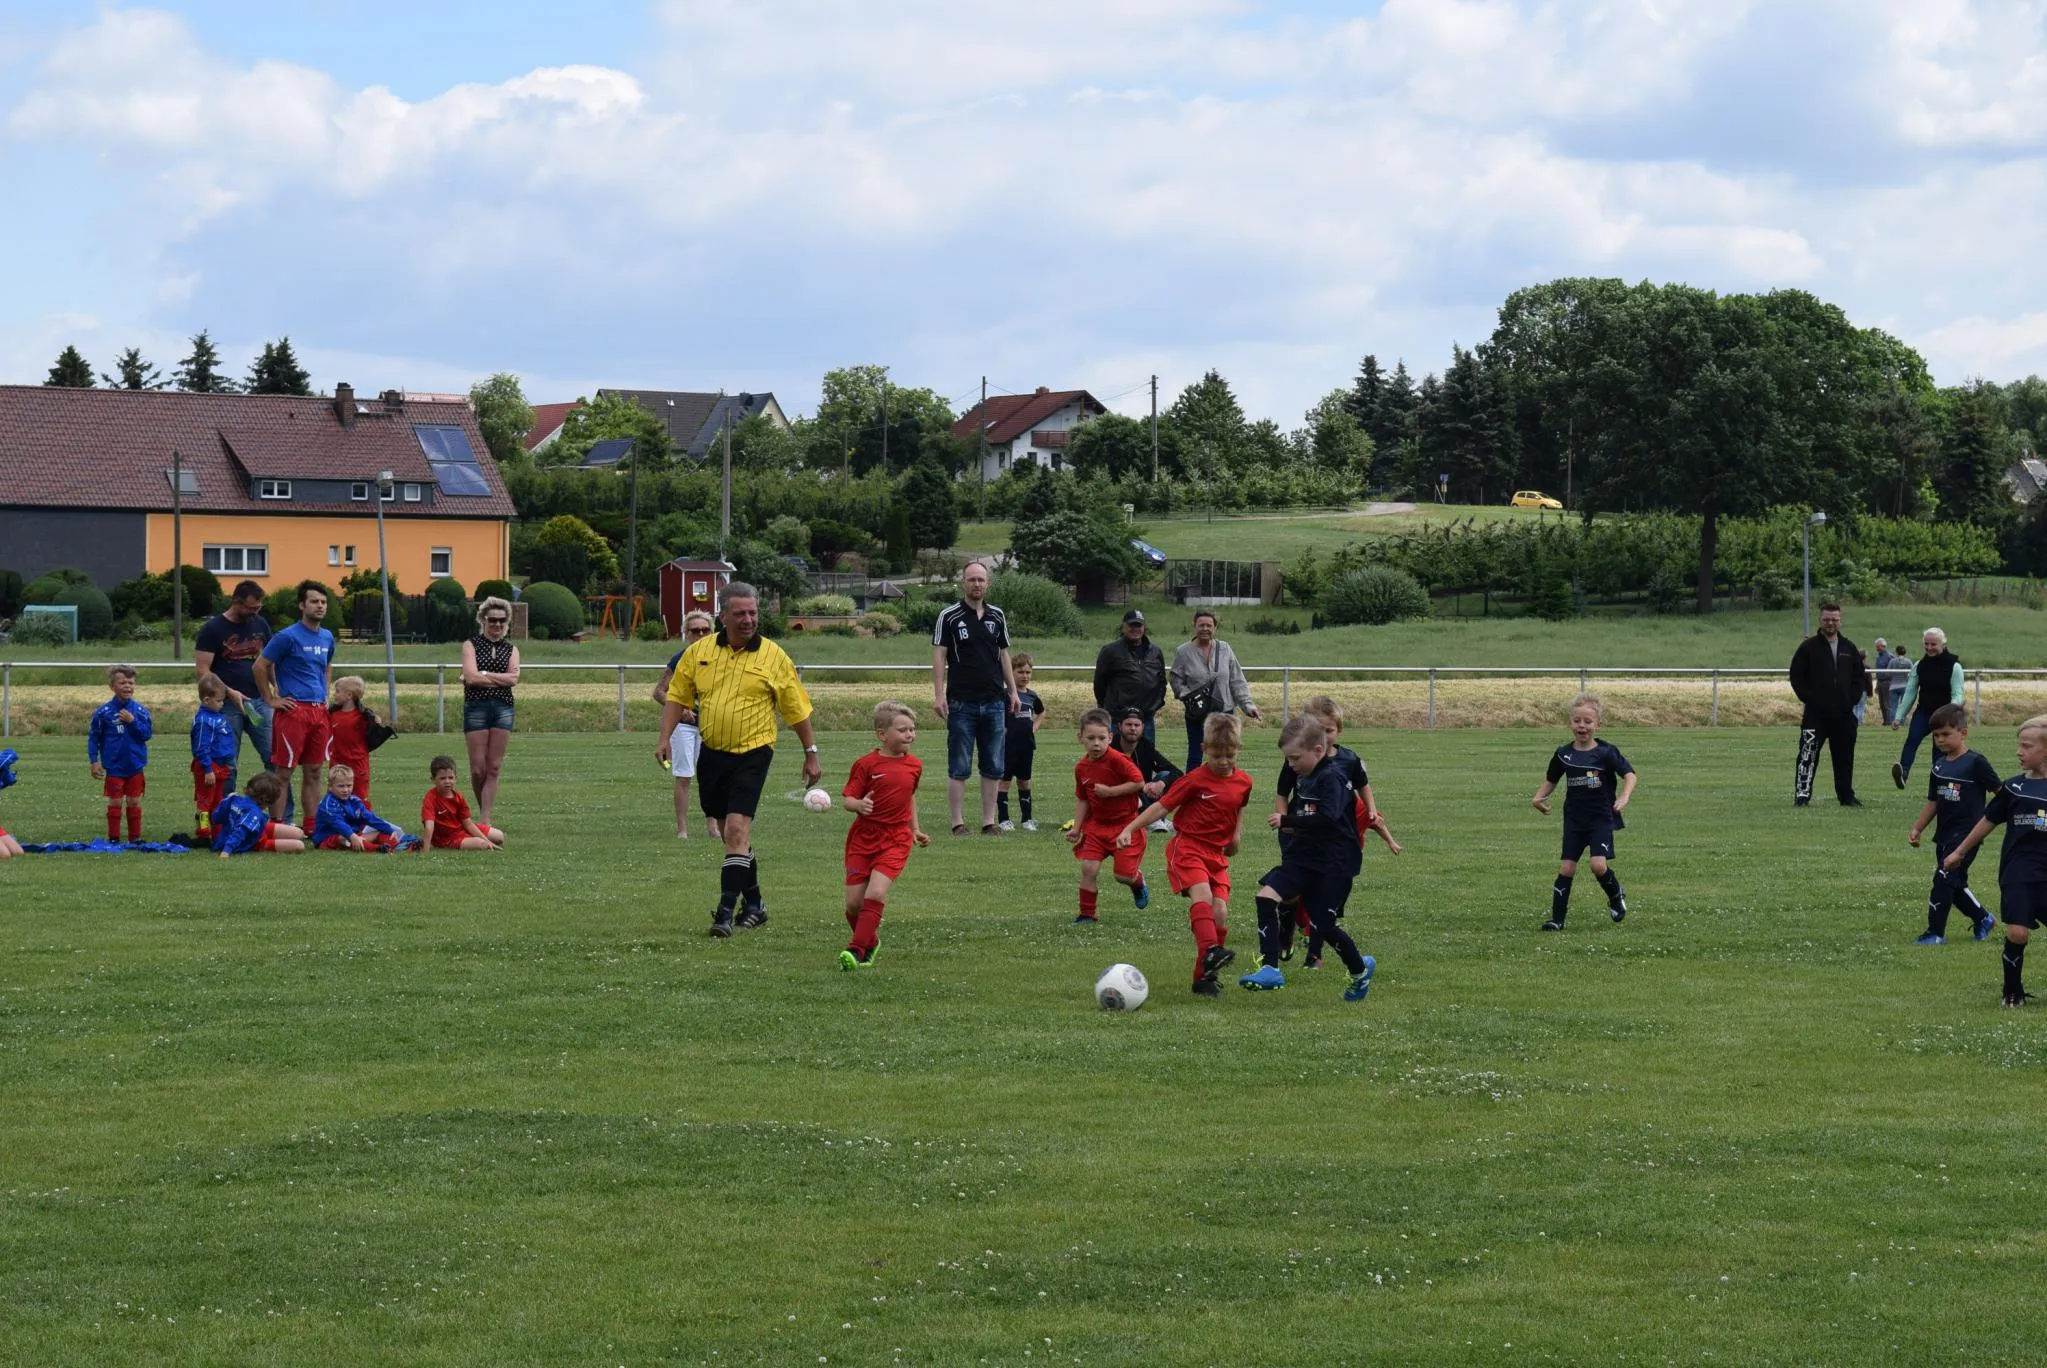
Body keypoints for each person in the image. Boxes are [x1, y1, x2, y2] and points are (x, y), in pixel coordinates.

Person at [656, 583, 821, 936]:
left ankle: (724, 913)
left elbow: (797, 709)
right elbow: (676, 696)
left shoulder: (774, 656)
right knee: (734, 835)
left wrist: (811, 753)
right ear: (723, 616)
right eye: (740, 613)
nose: (748, 620)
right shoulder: (698, 652)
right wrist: (664, 738)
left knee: (734, 830)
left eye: (753, 613)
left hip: (754, 751)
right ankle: (756, 903)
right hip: (713, 753)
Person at [1237, 714, 1376, 1002]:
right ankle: (1270, 968)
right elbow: (1301, 808)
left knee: (1324, 927)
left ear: (1318, 750)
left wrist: (1289, 820)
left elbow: (1329, 818)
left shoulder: (1332, 777)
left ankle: (1360, 971)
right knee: (1265, 898)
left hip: (1333, 864)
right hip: (1302, 857)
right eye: (1287, 759)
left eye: (1295, 758)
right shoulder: (1304, 774)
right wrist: (1292, 829)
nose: (1290, 765)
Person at [1118, 712, 1255, 997]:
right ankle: (1210, 951)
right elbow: (1162, 807)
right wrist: (1131, 827)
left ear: (1239, 749)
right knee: (1202, 896)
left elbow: (1238, 807)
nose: (1224, 761)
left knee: (1220, 913)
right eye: (1217, 756)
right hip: (1188, 847)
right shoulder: (1195, 780)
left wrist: (1235, 837)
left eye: (1230, 755)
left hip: (1216, 855)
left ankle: (1203, 978)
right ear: (1204, 749)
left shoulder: (1244, 782)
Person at [1279, 698, 1399, 966]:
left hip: (1333, 839)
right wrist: (1286, 822)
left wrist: (1372, 811)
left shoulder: (1348, 760)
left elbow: (1363, 785)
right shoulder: (1297, 758)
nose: (1323, 735)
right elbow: (1282, 792)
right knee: (1291, 890)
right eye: (1318, 729)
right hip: (1301, 832)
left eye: (1329, 730)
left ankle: (1314, 955)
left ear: (1339, 731)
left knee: (1322, 897)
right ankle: (1286, 931)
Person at [1942, 714, 2047, 1007]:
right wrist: (1959, 852)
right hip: (2018, 872)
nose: (2019, 752)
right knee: (2017, 931)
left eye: (2027, 746)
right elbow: (1987, 821)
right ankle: (2012, 992)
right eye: (2019, 745)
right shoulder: (2013, 788)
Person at [1529, 693, 1637, 931]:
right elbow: (1551, 780)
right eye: (1577, 720)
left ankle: (1616, 895)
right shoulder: (1563, 754)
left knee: (1598, 866)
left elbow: (1629, 774)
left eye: (1588, 721)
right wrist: (1538, 798)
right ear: (1570, 722)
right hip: (1574, 820)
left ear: (1598, 724)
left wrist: (1624, 796)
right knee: (1567, 868)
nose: (1582, 726)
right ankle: (1557, 920)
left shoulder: (1606, 752)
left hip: (1600, 818)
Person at [837, 701, 930, 970]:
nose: (910, 734)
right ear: (882, 734)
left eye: (912, 729)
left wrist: (914, 829)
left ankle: (855, 950)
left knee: (876, 892)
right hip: (863, 838)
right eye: (903, 730)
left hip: (896, 838)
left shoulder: (914, 765)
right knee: (854, 905)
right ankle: (871, 941)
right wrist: (858, 805)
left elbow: (909, 797)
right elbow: (848, 799)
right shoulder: (865, 764)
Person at [931, 561, 1021, 836]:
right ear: (963, 583)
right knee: (959, 764)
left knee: (993, 764)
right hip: (961, 702)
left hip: (994, 701)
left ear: (987, 583)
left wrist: (1013, 691)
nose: (977, 584)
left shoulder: (997, 616)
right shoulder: (949, 616)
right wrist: (938, 694)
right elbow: (939, 655)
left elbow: (1003, 655)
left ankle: (988, 822)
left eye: (981, 580)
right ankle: (957, 823)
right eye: (972, 579)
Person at [1906, 703, 1998, 945]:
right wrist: (1917, 828)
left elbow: (2000, 793)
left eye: (1946, 734)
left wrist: (1996, 819)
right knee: (1952, 883)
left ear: (1963, 733)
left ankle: (1935, 933)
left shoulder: (1976, 763)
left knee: (1943, 878)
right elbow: (1933, 802)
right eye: (1936, 735)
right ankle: (1983, 919)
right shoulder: (1939, 766)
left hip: (1968, 836)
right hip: (1944, 835)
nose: (1940, 740)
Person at [255, 580, 336, 821]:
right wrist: (271, 699)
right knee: (283, 773)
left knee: (314, 771)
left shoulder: (327, 637)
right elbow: (259, 666)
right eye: (314, 601)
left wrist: (325, 693)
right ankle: (277, 825)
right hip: (294, 711)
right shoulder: (287, 636)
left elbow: (327, 665)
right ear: (302, 605)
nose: (320, 606)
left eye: (323, 602)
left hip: (319, 711)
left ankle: (311, 826)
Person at [192, 580, 274, 800]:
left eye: (258, 608)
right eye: (251, 608)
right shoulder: (212, 629)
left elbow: (269, 661)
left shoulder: (260, 624)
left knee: (274, 758)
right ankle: (225, 810)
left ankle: (279, 813)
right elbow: (202, 671)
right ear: (236, 602)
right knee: (227, 762)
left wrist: (277, 688)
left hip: (259, 702)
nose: (255, 612)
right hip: (226, 705)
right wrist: (229, 692)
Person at [1068, 708, 1149, 923]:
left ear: (1110, 737)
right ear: (1080, 738)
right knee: (1088, 868)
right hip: (1097, 826)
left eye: (1101, 738)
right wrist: (1076, 828)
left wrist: (1110, 792)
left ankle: (1137, 882)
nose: (1096, 744)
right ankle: (1087, 914)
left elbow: (1139, 782)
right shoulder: (1081, 768)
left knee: (1123, 875)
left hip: (1126, 825)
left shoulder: (1118, 760)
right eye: (1091, 738)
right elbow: (1083, 799)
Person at [1788, 603, 1871, 806]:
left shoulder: (1849, 648)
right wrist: (1811, 699)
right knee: (1808, 754)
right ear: (1820, 621)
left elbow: (1859, 677)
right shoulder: (1808, 648)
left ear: (1840, 621)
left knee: (1844, 757)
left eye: (1834, 619)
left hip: (1844, 714)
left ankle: (1846, 796)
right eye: (1826, 619)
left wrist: (1850, 700)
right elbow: (1796, 676)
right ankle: (1802, 795)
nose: (1830, 623)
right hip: (1815, 714)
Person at [1170, 611, 1261, 772]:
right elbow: (1176, 679)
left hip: (1224, 713)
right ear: (1194, 626)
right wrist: (1188, 696)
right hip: (1197, 714)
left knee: (1227, 754)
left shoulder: (1225, 649)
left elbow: (1237, 680)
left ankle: (1228, 785)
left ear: (1215, 628)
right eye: (1201, 625)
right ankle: (1192, 786)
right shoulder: (1183, 652)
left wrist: (1248, 705)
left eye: (1209, 625)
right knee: (1195, 755)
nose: (1205, 629)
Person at [653, 611, 717, 838]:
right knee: (684, 775)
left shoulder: (721, 658)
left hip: (712, 725)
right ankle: (682, 829)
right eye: (695, 630)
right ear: (686, 634)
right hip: (685, 726)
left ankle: (713, 828)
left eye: (705, 630)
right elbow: (659, 692)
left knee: (711, 777)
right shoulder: (680, 659)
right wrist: (680, 710)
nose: (700, 634)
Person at [461, 596, 521, 828]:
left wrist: (484, 675)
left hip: (503, 708)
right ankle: (483, 812)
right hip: (476, 707)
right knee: (478, 769)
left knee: (494, 766)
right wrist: (497, 678)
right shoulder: (470, 645)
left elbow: (513, 679)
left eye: (502, 620)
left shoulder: (511, 650)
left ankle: (485, 820)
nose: (497, 624)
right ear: (483, 620)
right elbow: (470, 677)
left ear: (507, 622)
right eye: (492, 620)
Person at [1892, 628, 1964, 789]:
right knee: (1912, 740)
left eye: (1933, 644)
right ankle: (1903, 773)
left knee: (1939, 750)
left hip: (1943, 716)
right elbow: (1910, 692)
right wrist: (1899, 716)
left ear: (1943, 644)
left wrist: (1950, 713)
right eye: (1926, 644)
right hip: (1924, 712)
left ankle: (1938, 785)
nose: (1929, 648)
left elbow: (1958, 693)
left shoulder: (1954, 666)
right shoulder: (1919, 665)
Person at [88, 663, 152, 843]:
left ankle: (135, 838)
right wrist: (94, 761)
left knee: (133, 801)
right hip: (114, 766)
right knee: (115, 801)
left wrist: (133, 722)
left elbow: (146, 734)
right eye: (123, 683)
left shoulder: (140, 711)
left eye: (131, 683)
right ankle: (114, 838)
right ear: (112, 686)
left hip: (135, 765)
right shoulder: (103, 713)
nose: (127, 686)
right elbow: (94, 738)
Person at [1093, 609, 1166, 745]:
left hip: (1145, 717)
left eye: (1139, 625)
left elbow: (1161, 681)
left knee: (1145, 755)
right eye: (1132, 625)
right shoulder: (1110, 651)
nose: (1135, 629)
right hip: (1118, 718)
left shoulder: (1155, 652)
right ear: (1124, 627)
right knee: (1116, 756)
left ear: (1144, 627)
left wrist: (1156, 704)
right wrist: (1110, 707)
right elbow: (1099, 683)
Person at [1112, 705, 1183, 834]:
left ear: (1143, 727)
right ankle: (1151, 820)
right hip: (1119, 798)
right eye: (1128, 724)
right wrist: (1142, 786)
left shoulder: (1146, 747)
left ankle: (1159, 818)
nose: (1133, 728)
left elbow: (1178, 773)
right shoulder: (1111, 748)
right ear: (1119, 726)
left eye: (1137, 725)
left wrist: (1161, 783)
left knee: (1166, 775)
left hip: (1144, 796)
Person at [997, 653, 1044, 831]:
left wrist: (1034, 726)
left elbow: (1041, 712)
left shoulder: (1032, 696)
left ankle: (1027, 819)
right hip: (1008, 745)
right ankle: (1004, 820)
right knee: (1004, 782)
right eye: (1020, 672)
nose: (1025, 676)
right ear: (1011, 672)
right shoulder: (1004, 694)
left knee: (1024, 781)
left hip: (1026, 745)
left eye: (1028, 672)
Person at [311, 764, 406, 851]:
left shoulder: (354, 801)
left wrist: (389, 830)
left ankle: (399, 846)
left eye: (349, 786)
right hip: (329, 839)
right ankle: (377, 849)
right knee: (343, 838)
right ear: (330, 787)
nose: (346, 790)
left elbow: (370, 818)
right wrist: (352, 836)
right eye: (341, 786)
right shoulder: (328, 804)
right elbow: (338, 823)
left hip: (354, 835)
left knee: (380, 832)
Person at [210, 772, 305, 857]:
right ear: (269, 800)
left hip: (258, 829)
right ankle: (264, 844)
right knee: (299, 846)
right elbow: (240, 831)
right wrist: (226, 851)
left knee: (299, 833)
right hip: (257, 842)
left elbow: (215, 818)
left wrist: (226, 801)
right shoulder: (254, 813)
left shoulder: (235, 799)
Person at [422, 754, 505, 851]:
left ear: (455, 778)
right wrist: (425, 850)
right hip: (448, 838)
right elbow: (429, 826)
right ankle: (472, 841)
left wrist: (487, 840)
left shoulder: (458, 797)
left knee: (499, 836)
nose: (447, 781)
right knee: (482, 845)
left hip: (461, 829)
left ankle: (475, 839)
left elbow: (468, 824)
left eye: (450, 778)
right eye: (442, 778)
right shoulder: (430, 799)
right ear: (433, 779)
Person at [326, 675, 385, 808]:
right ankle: (336, 817)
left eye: (337, 691)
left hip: (357, 763)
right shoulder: (332, 714)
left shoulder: (362, 717)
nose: (334, 694)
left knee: (359, 795)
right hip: (337, 762)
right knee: (335, 793)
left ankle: (363, 819)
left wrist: (375, 721)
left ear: (349, 695)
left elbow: (376, 726)